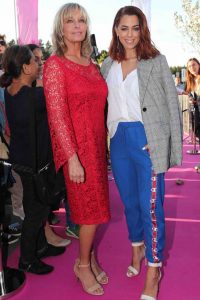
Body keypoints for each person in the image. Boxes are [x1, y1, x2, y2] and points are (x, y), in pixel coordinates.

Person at [101, 6, 182, 300]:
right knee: (130, 204)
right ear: (116, 30)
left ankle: (153, 268)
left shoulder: (156, 61)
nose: (130, 34)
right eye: (124, 28)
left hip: (145, 139)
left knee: (151, 207)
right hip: (118, 139)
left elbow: (172, 106)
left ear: (142, 30)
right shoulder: (107, 65)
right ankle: (136, 250)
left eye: (135, 28)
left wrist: (167, 146)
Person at [43, 3, 110, 296]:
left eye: (81, 20)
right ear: (61, 27)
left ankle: (90, 256)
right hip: (77, 150)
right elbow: (56, 115)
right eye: (70, 20)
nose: (77, 25)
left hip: (96, 147)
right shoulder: (55, 65)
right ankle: (82, 264)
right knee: (88, 212)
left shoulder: (92, 65)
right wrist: (71, 157)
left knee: (95, 208)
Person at [0, 45, 66, 275]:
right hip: (35, 163)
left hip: (22, 160)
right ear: (26, 67)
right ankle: (27, 259)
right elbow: (58, 94)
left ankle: (39, 247)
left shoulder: (10, 91)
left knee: (33, 206)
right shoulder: (34, 96)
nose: (39, 64)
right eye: (35, 61)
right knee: (37, 211)